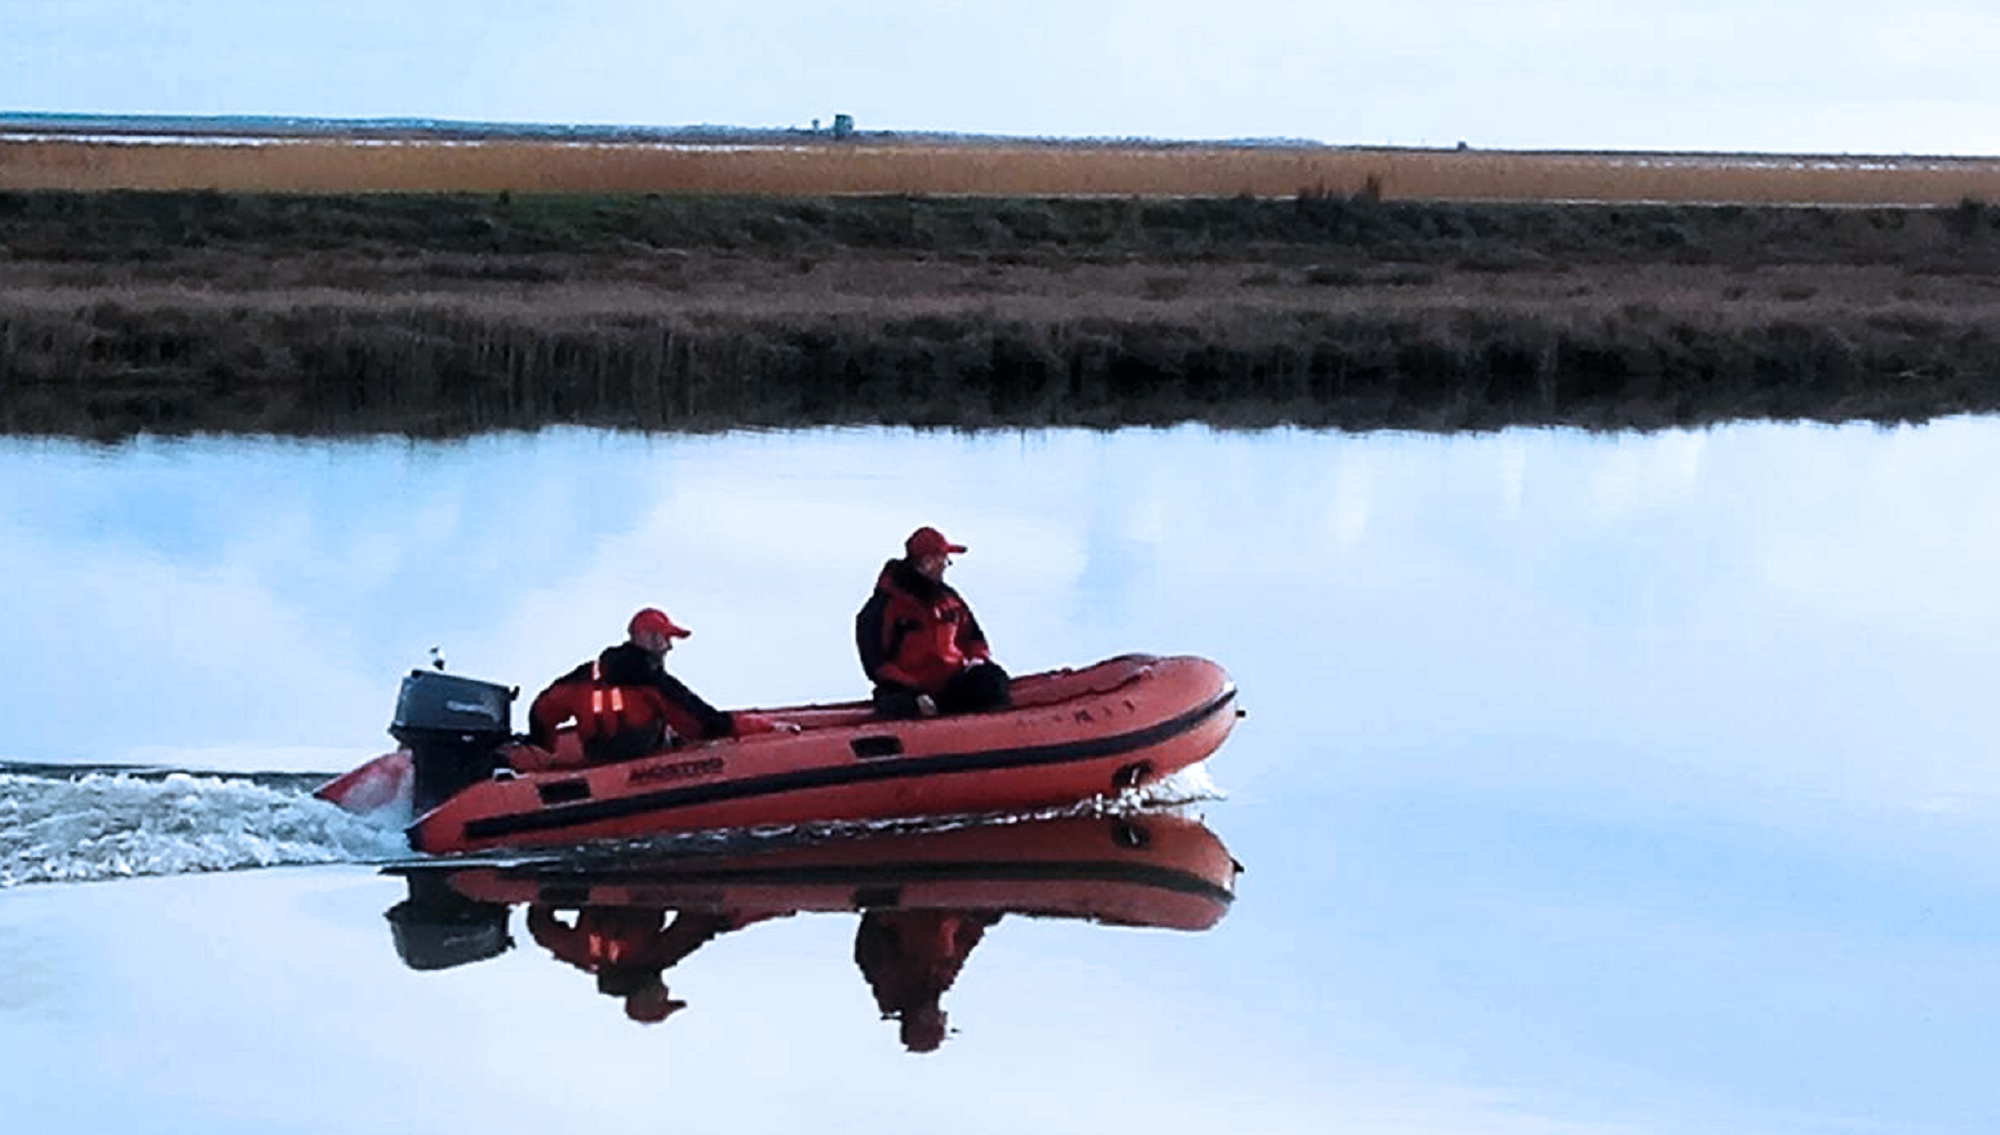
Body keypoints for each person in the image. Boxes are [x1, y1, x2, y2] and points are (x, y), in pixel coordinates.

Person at [526, 607, 791, 764]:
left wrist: (544, 749)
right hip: (644, 770)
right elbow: (703, 724)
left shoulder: (585, 676)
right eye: (666, 638)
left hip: (598, 763)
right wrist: (764, 727)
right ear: (649, 638)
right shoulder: (652, 681)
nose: (670, 647)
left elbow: (542, 710)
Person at [855, 526, 1011, 719]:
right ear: (927, 562)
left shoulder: (950, 601)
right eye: (943, 559)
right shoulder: (884, 607)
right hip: (907, 691)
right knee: (898, 707)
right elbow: (877, 663)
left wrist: (977, 661)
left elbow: (974, 638)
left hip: (953, 684)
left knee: (991, 680)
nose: (947, 565)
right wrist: (913, 691)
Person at [526, 903, 761, 1025]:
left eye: (663, 998)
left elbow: (696, 923)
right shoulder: (584, 957)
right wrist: (547, 899)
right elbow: (541, 929)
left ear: (645, 995)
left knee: (728, 920)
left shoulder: (656, 957)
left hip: (651, 867)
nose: (666, 990)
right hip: (602, 869)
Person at [852, 908, 1002, 1053]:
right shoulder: (939, 980)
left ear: (922, 1021)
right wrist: (979, 918)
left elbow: (873, 934)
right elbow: (965, 940)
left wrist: (886, 907)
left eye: (938, 1023)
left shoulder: (891, 979)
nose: (944, 1016)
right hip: (950, 905)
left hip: (914, 905)